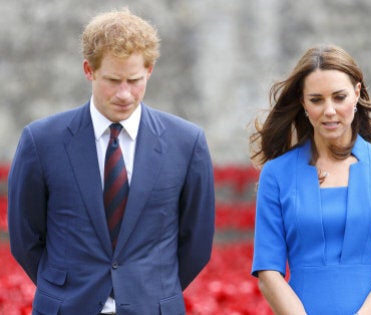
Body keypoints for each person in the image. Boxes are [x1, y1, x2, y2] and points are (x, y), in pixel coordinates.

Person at [8, 8, 215, 314]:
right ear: (88, 70)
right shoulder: (41, 141)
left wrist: (150, 291)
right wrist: (63, 289)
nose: (124, 94)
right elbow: (25, 236)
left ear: (150, 70)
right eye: (112, 80)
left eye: (134, 80)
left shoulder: (187, 143)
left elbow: (196, 242)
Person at [249, 44, 371, 315]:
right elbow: (268, 271)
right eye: (317, 100)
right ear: (303, 103)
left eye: (339, 97)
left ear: (357, 94)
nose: (329, 111)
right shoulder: (276, 174)